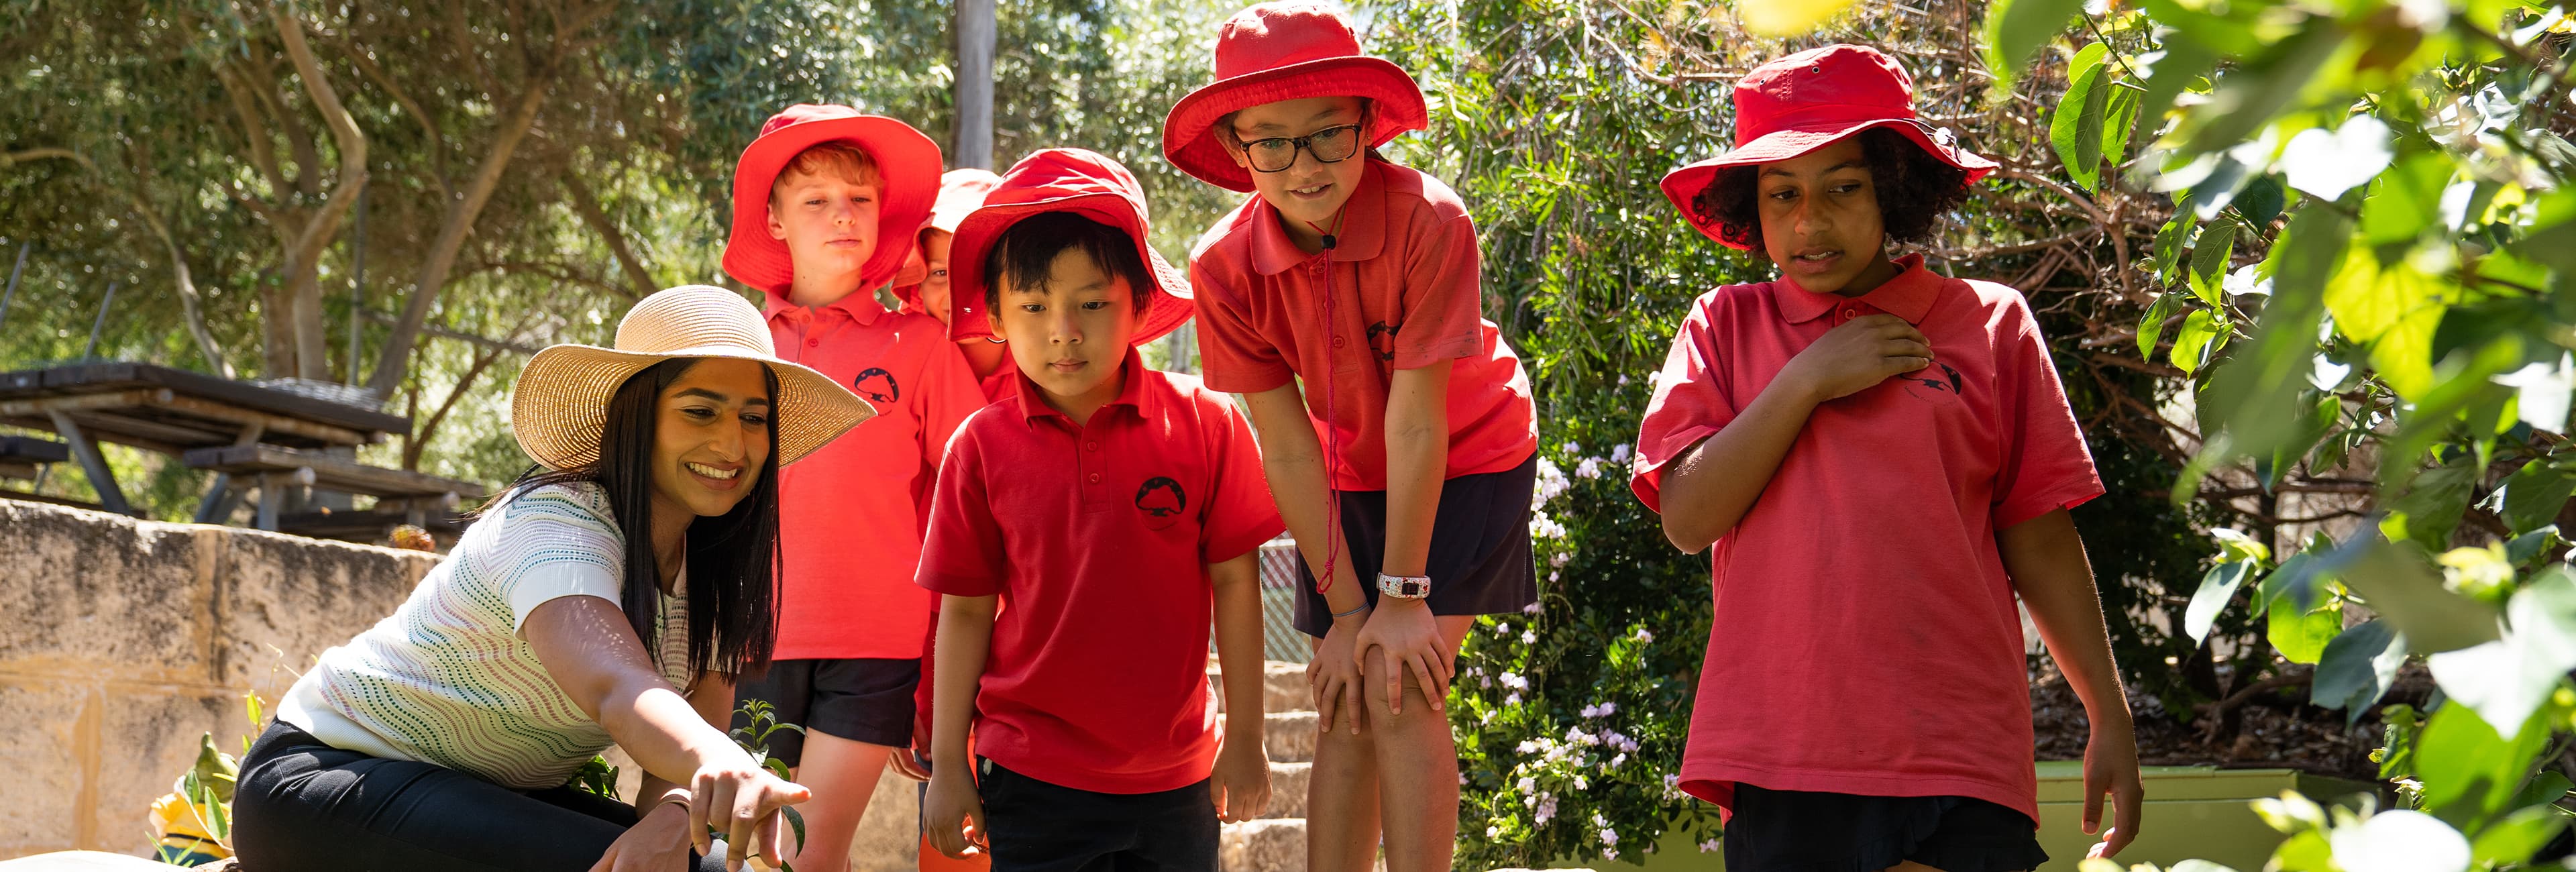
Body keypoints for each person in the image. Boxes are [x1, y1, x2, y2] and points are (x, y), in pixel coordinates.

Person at [1631, 44, 2145, 872]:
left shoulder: (1990, 323)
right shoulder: (1723, 325)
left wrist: (2108, 712)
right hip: (1785, 747)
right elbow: (1688, 517)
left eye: (1843, 188)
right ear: (1749, 204)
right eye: (1782, 195)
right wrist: (1805, 381)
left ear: (1897, 186)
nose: (1810, 222)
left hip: (1961, 748)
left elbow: (2039, 537)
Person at [233, 284, 875, 872]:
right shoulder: (555, 522)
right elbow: (615, 686)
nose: (733, 444)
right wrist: (719, 761)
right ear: (636, 417)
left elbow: (681, 752)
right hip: (330, 784)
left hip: (483, 798)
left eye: (754, 418)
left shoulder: (713, 566)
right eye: (701, 412)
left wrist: (677, 818)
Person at [1161, 3, 1539, 869]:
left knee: (1396, 686)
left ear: (1368, 125)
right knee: (1341, 693)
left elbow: (1420, 418)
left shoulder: (1430, 222)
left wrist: (1400, 597)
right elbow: (1287, 446)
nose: (1302, 166)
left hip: (1469, 453)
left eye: (1328, 134)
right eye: (1271, 142)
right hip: (1346, 471)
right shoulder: (1222, 267)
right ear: (1236, 148)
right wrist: (1343, 609)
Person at [915, 148, 1281, 869]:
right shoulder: (979, 447)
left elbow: (1238, 586)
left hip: (1177, 779)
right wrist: (949, 761)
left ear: (1140, 302)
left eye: (1092, 302)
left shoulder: (1208, 423)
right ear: (994, 313)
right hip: (1027, 775)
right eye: (1034, 306)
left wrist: (1245, 736)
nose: (1063, 330)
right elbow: (964, 612)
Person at [718, 105, 989, 872]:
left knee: (808, 853)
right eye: (816, 201)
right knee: (740, 854)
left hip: (878, 646)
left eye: (860, 200)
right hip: (745, 639)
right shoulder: (735, 341)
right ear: (773, 219)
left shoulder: (924, 345)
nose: (843, 215)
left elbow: (979, 484)